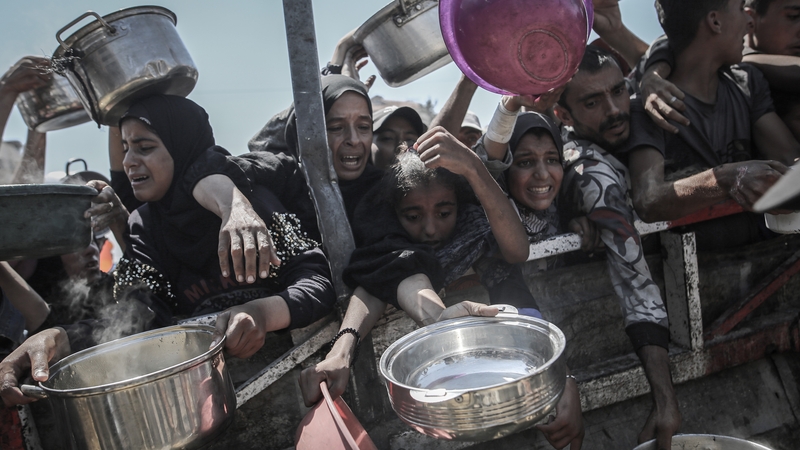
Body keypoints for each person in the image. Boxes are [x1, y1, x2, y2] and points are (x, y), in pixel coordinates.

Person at [0, 95, 337, 407]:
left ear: (181, 147)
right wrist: (59, 338)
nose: (130, 162)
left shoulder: (249, 202)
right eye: (125, 148)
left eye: (144, 147)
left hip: (300, 382)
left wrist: (261, 314)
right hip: (211, 395)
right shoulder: (144, 226)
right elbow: (141, 317)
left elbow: (317, 282)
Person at [620, 0, 800, 238]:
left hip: (765, 261)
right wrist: (726, 178)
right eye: (739, 9)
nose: (748, 21)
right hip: (691, 267)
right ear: (715, 21)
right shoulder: (648, 107)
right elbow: (649, 199)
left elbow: (787, 156)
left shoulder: (746, 83)